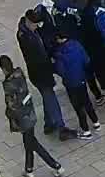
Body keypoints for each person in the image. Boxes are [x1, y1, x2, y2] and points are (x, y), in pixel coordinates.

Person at [0, 56, 64, 177]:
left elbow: (11, 105)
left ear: (3, 69)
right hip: (30, 112)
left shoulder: (9, 85)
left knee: (33, 143)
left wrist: (10, 116)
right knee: (28, 142)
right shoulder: (20, 74)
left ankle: (56, 165)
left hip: (22, 118)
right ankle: (29, 169)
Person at [48, 0, 105, 104]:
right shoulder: (74, 7)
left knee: (73, 70)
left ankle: (81, 98)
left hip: (64, 43)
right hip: (79, 42)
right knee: (87, 69)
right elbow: (81, 22)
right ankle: (97, 95)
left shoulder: (55, 8)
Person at [16, 8, 67, 138]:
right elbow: (38, 56)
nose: (36, 27)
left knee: (47, 97)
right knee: (51, 98)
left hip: (40, 72)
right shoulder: (26, 37)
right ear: (27, 21)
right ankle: (61, 127)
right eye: (34, 24)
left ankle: (49, 124)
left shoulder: (29, 31)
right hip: (40, 73)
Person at [52, 33, 99, 137]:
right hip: (81, 79)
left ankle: (86, 130)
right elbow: (86, 59)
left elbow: (61, 71)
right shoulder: (77, 45)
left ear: (59, 39)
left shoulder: (59, 53)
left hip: (70, 84)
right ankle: (96, 123)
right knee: (87, 102)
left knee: (78, 107)